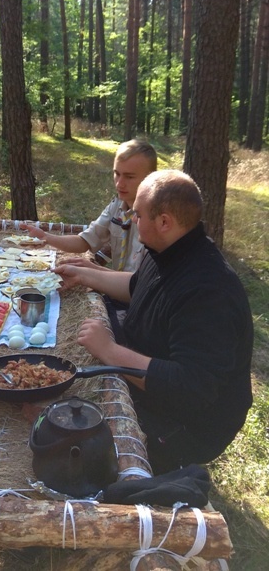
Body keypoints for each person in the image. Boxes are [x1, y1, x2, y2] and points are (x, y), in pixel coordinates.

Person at [54, 170, 253, 474]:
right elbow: (140, 287)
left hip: (186, 425)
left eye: (137, 214)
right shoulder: (171, 249)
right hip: (161, 385)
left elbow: (190, 386)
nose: (132, 219)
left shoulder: (209, 291)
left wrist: (110, 351)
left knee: (70, 446)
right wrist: (87, 273)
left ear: (163, 222)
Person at [22, 139, 157, 272]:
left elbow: (139, 285)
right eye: (117, 174)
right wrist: (46, 237)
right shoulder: (117, 206)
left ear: (151, 177)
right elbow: (85, 241)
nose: (119, 184)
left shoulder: (156, 220)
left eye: (129, 177)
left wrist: (92, 270)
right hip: (117, 290)